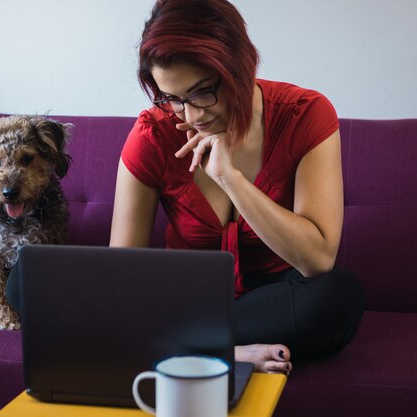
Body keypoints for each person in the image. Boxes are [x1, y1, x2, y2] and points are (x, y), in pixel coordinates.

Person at [109, 0, 365, 374]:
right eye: (174, 99)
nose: (193, 115)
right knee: (26, 283)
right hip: (184, 297)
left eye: (203, 92)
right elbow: (122, 271)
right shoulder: (153, 132)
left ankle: (175, 345)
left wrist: (231, 179)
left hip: (276, 295)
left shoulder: (305, 114)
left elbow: (317, 259)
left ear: (241, 67)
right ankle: (226, 351)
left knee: (337, 297)